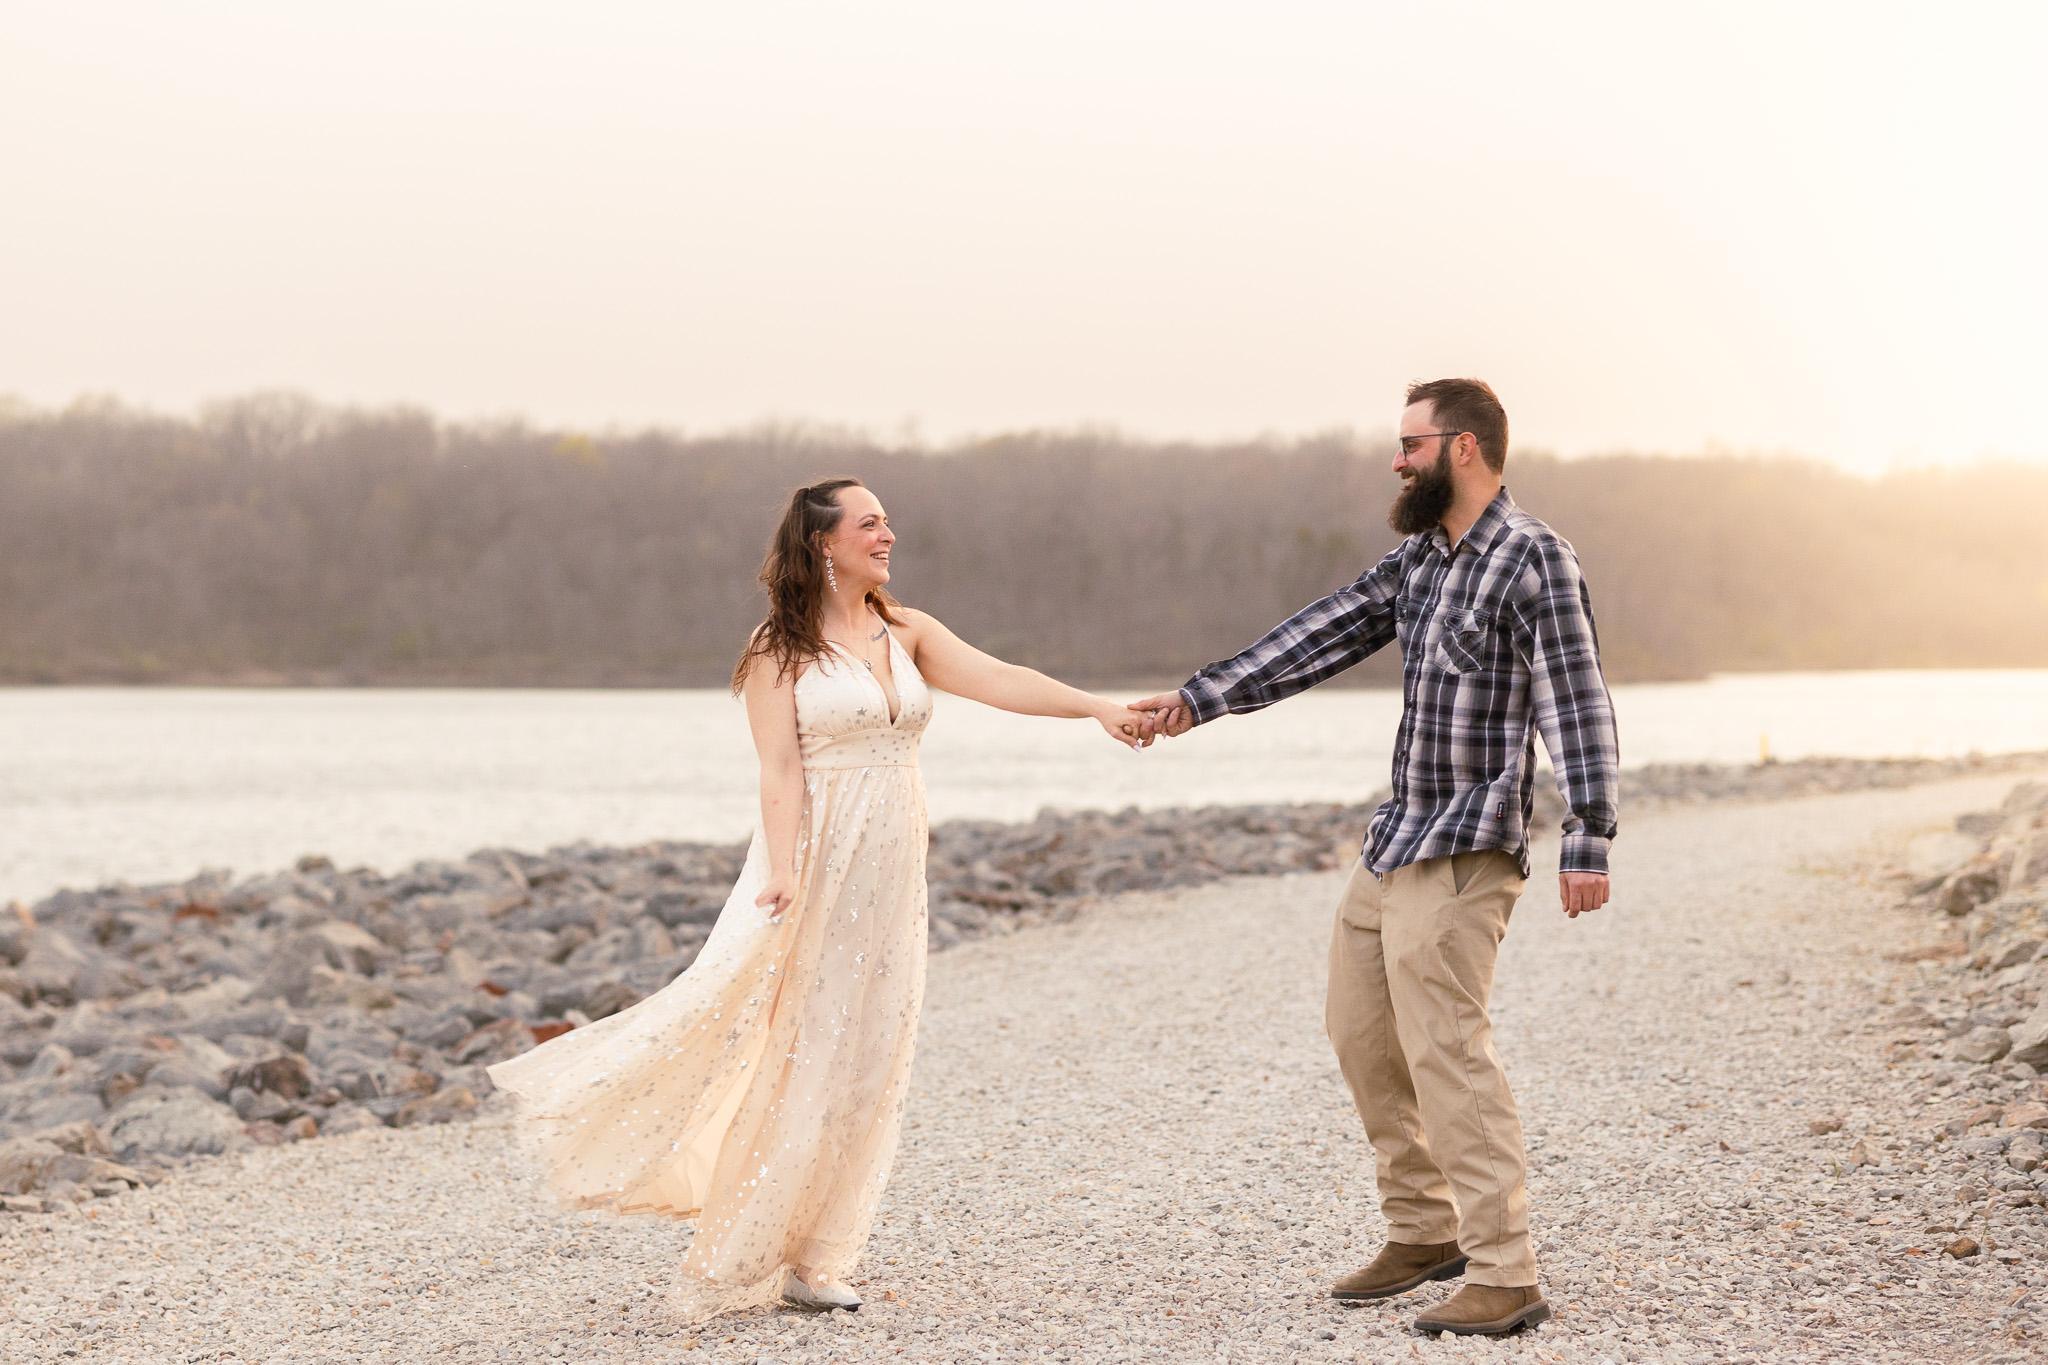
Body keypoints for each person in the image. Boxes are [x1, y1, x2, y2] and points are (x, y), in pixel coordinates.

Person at [487, 477, 1147, 1320]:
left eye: (887, 521)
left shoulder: (907, 630)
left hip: (893, 868)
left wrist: (1095, 707)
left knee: (870, 1053)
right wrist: (785, 868)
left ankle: (818, 1254)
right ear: (823, 543)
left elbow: (1000, 679)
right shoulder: (780, 648)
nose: (888, 535)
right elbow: (778, 769)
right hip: (815, 861)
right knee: (804, 1044)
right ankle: (738, 1251)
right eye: (870, 524)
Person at [1130, 378, 1619, 1338]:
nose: (1396, 461)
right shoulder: (1422, 559)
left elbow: (1576, 698)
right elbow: (1322, 633)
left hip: (1469, 843)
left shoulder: (1533, 557)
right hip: (1397, 837)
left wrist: (1588, 833)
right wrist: (1197, 699)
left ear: (1464, 447)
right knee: (1360, 1031)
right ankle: (1424, 1227)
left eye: (1411, 444)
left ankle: (1506, 1270)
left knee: (1449, 1049)